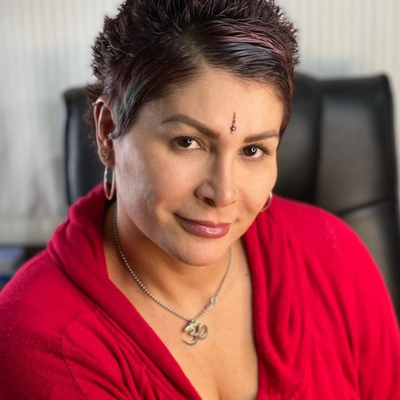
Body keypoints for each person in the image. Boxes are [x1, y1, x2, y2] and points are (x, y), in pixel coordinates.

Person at [1, 0, 399, 398]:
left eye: (253, 150)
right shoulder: (38, 338)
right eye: (187, 142)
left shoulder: (333, 255)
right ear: (109, 131)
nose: (222, 193)